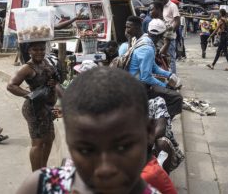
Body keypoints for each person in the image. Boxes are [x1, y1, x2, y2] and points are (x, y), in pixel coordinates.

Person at [16, 67, 162, 194]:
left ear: (149, 132)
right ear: (69, 140)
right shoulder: (41, 187)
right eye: (86, 151)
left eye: (123, 147)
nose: (105, 169)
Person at [6, 41, 63, 171]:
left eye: (42, 49)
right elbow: (11, 85)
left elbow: (55, 84)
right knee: (38, 143)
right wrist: (30, 95)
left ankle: (43, 170)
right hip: (34, 110)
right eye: (35, 50)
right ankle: (36, 176)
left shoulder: (46, 63)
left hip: (47, 109)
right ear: (29, 51)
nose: (39, 52)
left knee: (49, 139)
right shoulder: (27, 68)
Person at [123, 16, 182, 117]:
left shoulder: (144, 40)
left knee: (169, 91)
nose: (126, 30)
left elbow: (153, 67)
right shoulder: (147, 47)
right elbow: (145, 77)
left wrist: (170, 75)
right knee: (177, 98)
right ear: (162, 35)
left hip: (135, 81)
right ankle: (163, 122)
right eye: (127, 27)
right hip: (137, 86)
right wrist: (165, 86)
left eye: (129, 27)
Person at [148, 97, 184, 173]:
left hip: (150, 145)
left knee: (162, 143)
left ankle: (163, 177)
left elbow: (161, 128)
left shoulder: (156, 102)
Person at [158, 0, 180, 74]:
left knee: (171, 58)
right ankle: (165, 75)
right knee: (162, 56)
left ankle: (173, 77)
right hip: (162, 35)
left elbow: (177, 22)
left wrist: (170, 33)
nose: (161, 1)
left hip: (169, 36)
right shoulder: (162, 6)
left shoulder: (172, 6)